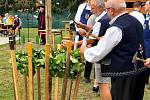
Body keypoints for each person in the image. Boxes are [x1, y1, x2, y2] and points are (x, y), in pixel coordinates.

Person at [80, 0, 147, 100]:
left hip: (124, 76)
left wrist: (85, 50)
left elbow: (99, 52)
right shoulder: (135, 21)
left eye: (106, 10)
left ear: (111, 10)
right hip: (139, 73)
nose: (106, 13)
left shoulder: (117, 28)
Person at [74, 0, 92, 83]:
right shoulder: (82, 7)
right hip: (80, 33)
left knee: (89, 53)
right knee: (77, 53)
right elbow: (76, 20)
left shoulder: (97, 7)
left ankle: (87, 75)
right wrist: (79, 29)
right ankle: (75, 72)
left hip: (91, 34)